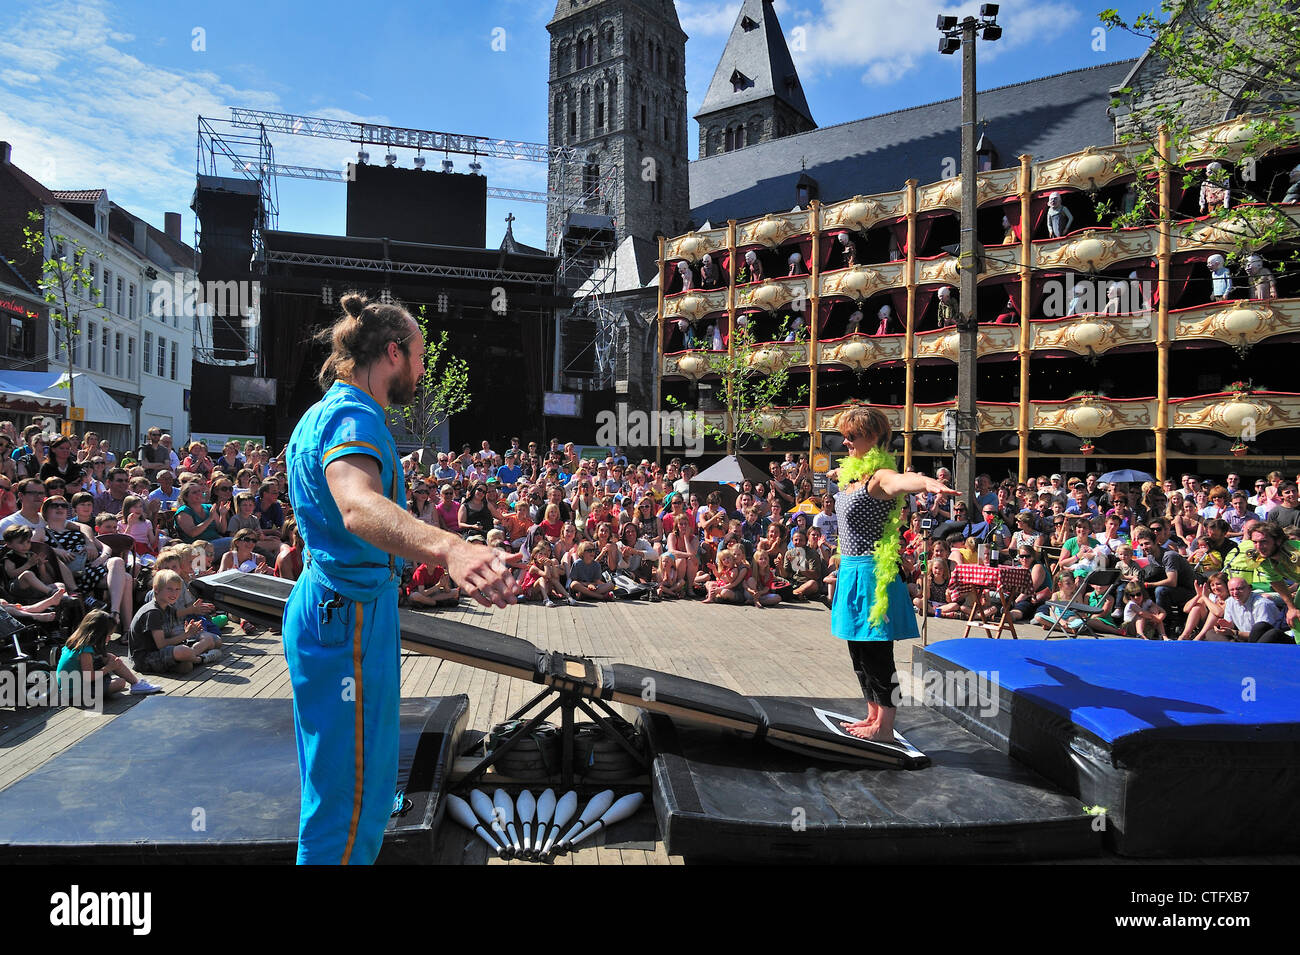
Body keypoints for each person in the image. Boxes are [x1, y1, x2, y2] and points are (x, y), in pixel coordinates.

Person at [283, 292, 520, 866]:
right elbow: (357, 507)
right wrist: (450, 548)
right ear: (392, 353)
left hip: (348, 609)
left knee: (353, 788)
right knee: (350, 798)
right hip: (350, 618)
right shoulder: (352, 416)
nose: (422, 369)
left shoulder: (332, 411)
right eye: (417, 356)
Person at [827, 406, 956, 742]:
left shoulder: (879, 475)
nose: (846, 442)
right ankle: (872, 716)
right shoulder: (853, 475)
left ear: (874, 437)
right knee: (858, 652)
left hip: (873, 575)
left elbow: (902, 481)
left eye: (852, 436)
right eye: (845, 435)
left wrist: (927, 482)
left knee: (878, 654)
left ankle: (886, 726)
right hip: (851, 571)